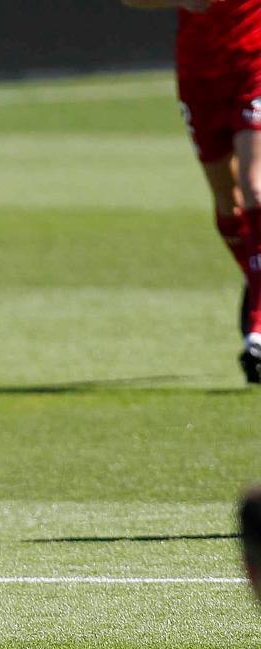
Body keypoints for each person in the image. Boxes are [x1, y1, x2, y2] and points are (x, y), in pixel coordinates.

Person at [123, 0, 261, 384]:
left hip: (255, 63)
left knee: (255, 188)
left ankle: (257, 326)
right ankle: (256, 277)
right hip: (200, 73)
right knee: (227, 202)